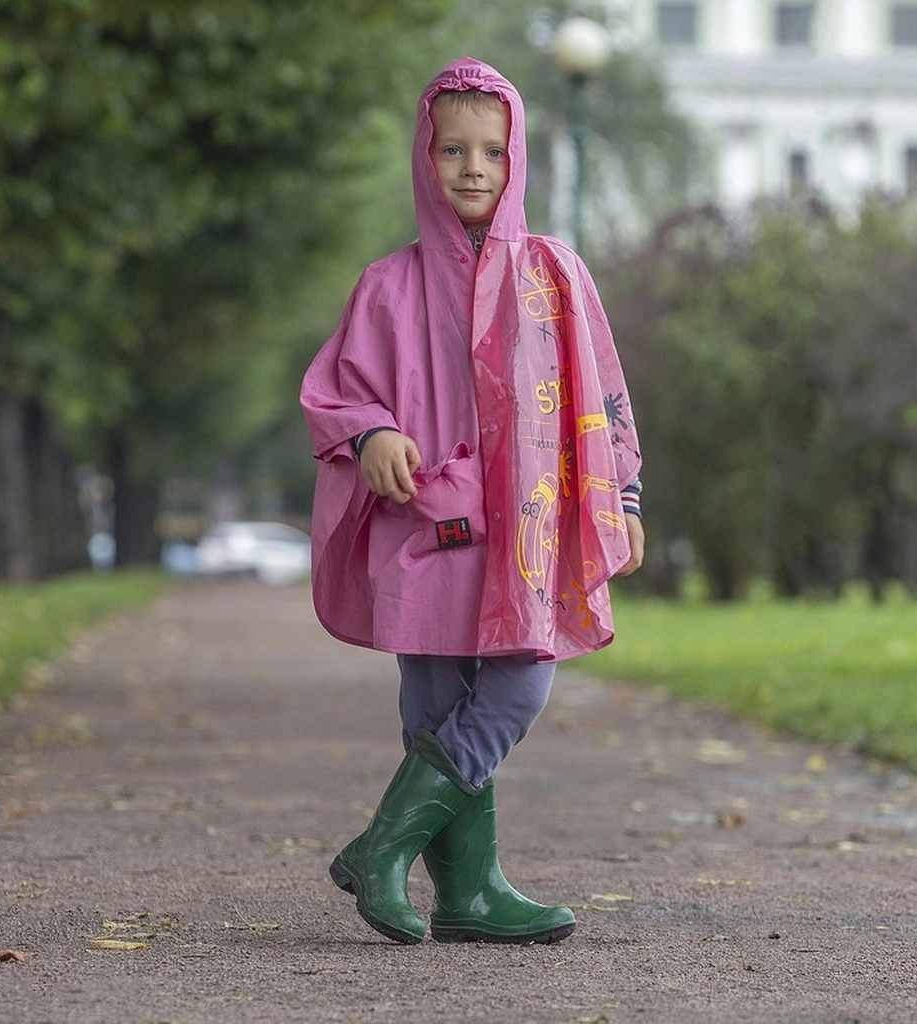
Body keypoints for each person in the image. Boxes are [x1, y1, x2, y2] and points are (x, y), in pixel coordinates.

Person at [300, 57, 643, 946]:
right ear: (426, 157)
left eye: (492, 150)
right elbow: (340, 390)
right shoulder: (387, 284)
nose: (473, 168)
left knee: (522, 683)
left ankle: (381, 846)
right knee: (432, 704)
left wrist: (625, 495)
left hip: (529, 532)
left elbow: (602, 393)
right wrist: (372, 434)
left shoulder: (557, 275)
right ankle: (469, 895)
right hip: (426, 527)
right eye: (453, 149)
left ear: (517, 156)